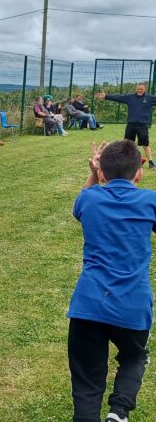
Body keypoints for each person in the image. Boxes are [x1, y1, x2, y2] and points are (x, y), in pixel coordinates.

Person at [68, 140, 156, 422]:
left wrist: (95, 173)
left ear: (102, 173)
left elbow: (79, 205)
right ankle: (118, 412)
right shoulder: (150, 201)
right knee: (134, 356)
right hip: (133, 304)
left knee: (87, 382)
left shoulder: (90, 198)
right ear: (139, 173)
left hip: (89, 304)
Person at [97, 84, 156, 169]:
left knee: (145, 144)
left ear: (145, 89)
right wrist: (106, 96)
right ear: (136, 89)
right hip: (131, 125)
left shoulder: (149, 98)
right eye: (138, 89)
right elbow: (118, 97)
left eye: (141, 89)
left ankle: (151, 163)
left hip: (142, 126)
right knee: (128, 144)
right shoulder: (130, 97)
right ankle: (131, 162)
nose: (139, 90)